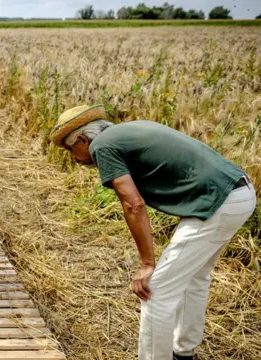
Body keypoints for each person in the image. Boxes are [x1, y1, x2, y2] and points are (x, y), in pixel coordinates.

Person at [50, 105, 257, 360]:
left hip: (217, 203)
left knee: (155, 289)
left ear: (83, 139)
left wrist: (147, 263)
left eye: (72, 150)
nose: (74, 157)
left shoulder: (101, 146)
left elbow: (133, 204)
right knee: (195, 278)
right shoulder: (128, 131)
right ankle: (183, 352)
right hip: (240, 192)